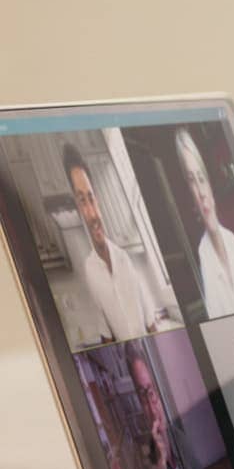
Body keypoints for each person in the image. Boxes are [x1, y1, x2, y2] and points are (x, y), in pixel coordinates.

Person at [63, 143, 171, 342]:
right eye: (82, 201)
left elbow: (151, 322)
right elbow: (106, 335)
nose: (93, 213)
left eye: (91, 198)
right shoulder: (89, 270)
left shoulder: (124, 258)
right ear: (77, 208)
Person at [174, 129, 234, 319]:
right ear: (190, 195)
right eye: (192, 181)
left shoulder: (232, 241)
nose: (201, 192)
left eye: (201, 178)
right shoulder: (203, 255)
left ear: (210, 185)